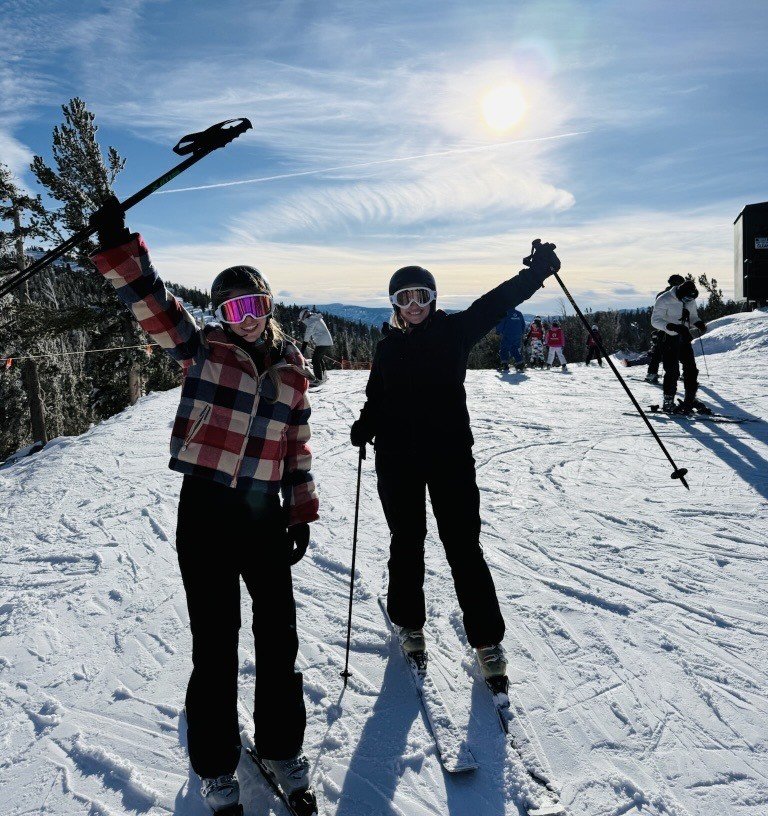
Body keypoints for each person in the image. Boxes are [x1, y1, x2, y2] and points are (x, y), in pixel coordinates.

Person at [88, 197, 319, 816]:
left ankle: (280, 746)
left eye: (255, 305)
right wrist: (119, 247)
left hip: (264, 513)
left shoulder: (294, 372)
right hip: (208, 512)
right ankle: (217, 766)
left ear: (269, 307)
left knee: (279, 636)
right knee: (215, 641)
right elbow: (154, 305)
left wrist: (299, 511)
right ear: (221, 313)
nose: (244, 318)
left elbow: (296, 448)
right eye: (232, 307)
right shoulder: (205, 350)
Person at [349, 243, 561, 689]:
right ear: (394, 304)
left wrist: (537, 273)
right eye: (404, 298)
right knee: (406, 541)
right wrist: (366, 424)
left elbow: (496, 302)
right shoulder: (387, 348)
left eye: (421, 296)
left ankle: (487, 640)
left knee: (463, 545)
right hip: (397, 459)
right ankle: (409, 624)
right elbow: (377, 395)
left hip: (449, 458)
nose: (413, 306)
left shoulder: (455, 332)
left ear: (433, 299)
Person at [651, 279, 708, 414]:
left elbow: (693, 316)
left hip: (684, 338)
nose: (689, 300)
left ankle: (690, 399)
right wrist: (670, 326)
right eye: (687, 298)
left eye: (692, 298)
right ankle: (668, 401)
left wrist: (698, 323)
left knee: (691, 369)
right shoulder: (664, 299)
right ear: (680, 293)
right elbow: (655, 321)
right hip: (669, 338)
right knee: (672, 371)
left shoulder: (690, 300)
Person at [645, 274, 685, 383]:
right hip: (675, 327)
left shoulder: (661, 295)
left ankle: (652, 373)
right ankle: (678, 374)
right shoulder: (679, 295)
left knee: (658, 351)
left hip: (662, 327)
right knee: (679, 351)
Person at [298, 308, 334, 385]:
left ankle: (318, 379)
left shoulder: (312, 321)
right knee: (319, 359)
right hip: (326, 341)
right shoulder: (315, 318)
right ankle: (324, 376)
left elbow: (307, 335)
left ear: (304, 318)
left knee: (315, 360)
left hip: (323, 342)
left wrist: (302, 349)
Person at [495, 306, 526, 371]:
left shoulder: (506, 313)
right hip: (518, 335)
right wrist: (521, 333)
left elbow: (501, 323)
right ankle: (520, 363)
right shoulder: (519, 313)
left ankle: (504, 364)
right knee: (514, 349)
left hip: (508, 334)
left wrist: (498, 331)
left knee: (504, 348)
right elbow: (523, 324)